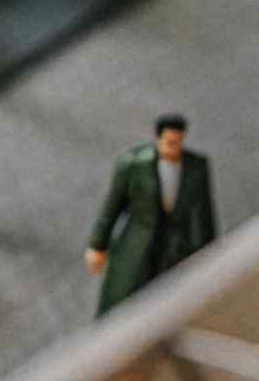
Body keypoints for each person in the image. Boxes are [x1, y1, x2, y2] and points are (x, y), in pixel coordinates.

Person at [85, 113, 219, 317]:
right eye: (169, 142)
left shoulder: (196, 167)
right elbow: (112, 206)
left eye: (178, 142)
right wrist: (97, 245)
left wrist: (208, 253)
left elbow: (203, 213)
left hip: (175, 246)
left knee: (171, 301)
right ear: (159, 139)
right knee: (121, 296)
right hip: (138, 240)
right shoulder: (133, 164)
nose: (174, 148)